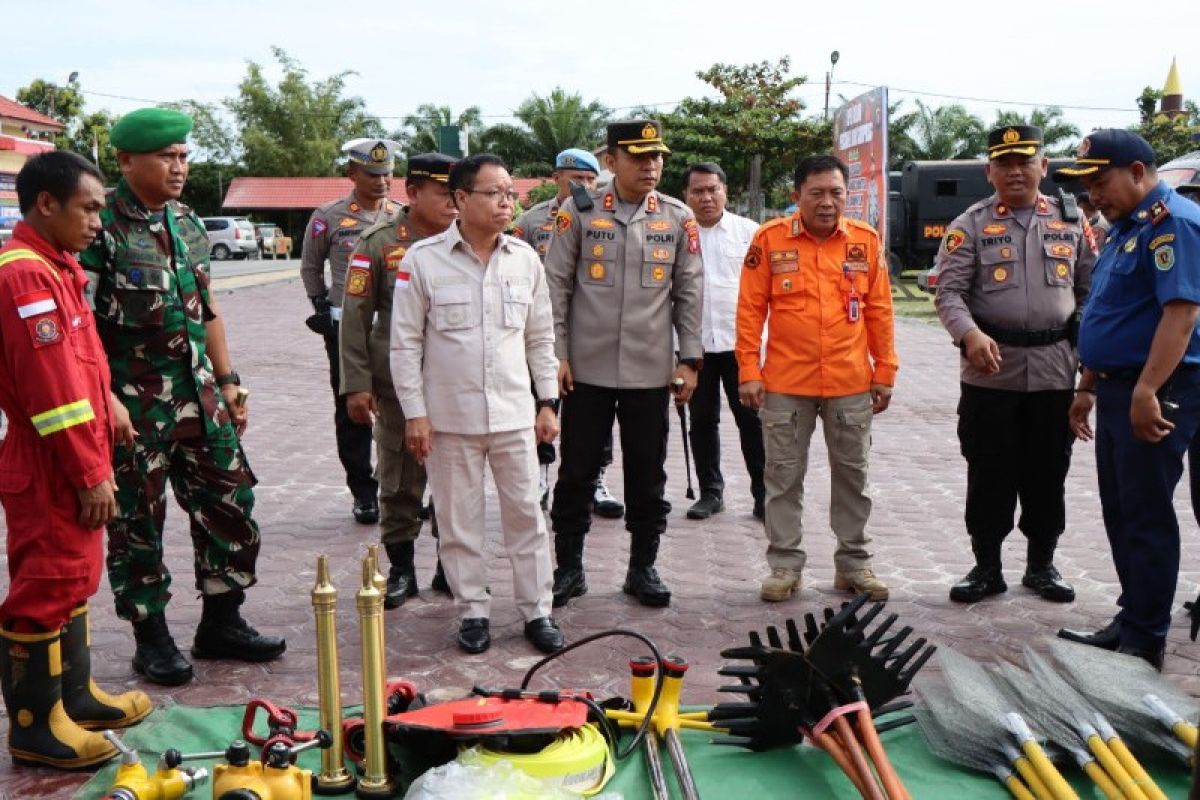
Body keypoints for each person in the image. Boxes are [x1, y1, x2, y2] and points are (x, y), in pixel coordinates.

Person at [81, 108, 286, 687]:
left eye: (183, 155)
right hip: (132, 407)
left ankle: (222, 621)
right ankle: (152, 638)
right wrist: (104, 399)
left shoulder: (189, 222)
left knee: (230, 501)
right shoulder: (101, 230)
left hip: (201, 399)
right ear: (126, 161)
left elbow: (209, 310)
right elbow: (83, 328)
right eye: (167, 156)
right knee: (138, 523)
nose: (180, 166)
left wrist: (228, 381)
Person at [0, 151, 152, 769]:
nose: (98, 220)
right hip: (51, 458)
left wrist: (110, 399)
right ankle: (37, 728)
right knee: (48, 584)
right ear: (46, 204)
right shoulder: (25, 276)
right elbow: (49, 390)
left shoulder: (57, 266)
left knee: (74, 577)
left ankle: (75, 698)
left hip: (71, 448)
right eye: (88, 208)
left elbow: (78, 361)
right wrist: (90, 472)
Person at [391, 154, 564, 655]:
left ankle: (537, 611)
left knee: (527, 518)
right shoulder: (422, 260)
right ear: (461, 199)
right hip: (449, 419)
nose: (507, 201)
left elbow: (540, 339)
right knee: (458, 519)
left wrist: (548, 402)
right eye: (494, 193)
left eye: (510, 192)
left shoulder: (525, 259)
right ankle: (472, 611)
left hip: (514, 415)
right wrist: (415, 414)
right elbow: (404, 345)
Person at [1056, 130, 1200, 670]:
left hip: (1157, 388)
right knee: (1121, 511)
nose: (1094, 195)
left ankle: (1146, 638)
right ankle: (1131, 617)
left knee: (1146, 514)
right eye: (1088, 185)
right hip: (1116, 386)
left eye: (1101, 181)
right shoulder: (1123, 228)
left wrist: (1145, 391)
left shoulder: (1175, 224)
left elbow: (1181, 314)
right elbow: (1110, 313)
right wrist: (1087, 386)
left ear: (1138, 171)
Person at [933, 126, 1095, 605]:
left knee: (1049, 471)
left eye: (1025, 161)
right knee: (989, 471)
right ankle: (986, 566)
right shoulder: (971, 224)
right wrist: (969, 334)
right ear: (990, 172)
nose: (1016, 171)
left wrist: (1085, 340)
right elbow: (949, 292)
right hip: (990, 375)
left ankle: (1042, 565)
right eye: (1004, 163)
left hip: (1053, 373)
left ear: (1043, 167)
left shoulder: (1071, 222)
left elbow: (1092, 291)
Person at [545, 119, 703, 609]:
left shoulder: (678, 219)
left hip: (649, 369)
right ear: (611, 162)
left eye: (657, 157)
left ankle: (643, 568)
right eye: (639, 157)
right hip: (586, 370)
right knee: (576, 472)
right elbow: (555, 286)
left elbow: (689, 293)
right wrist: (557, 354)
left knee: (647, 472)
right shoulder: (578, 211)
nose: (651, 166)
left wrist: (691, 359)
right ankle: (569, 568)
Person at [737, 155, 897, 603]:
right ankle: (785, 566)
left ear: (848, 195)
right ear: (796, 197)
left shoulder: (865, 241)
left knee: (853, 476)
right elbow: (750, 311)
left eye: (836, 193)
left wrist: (884, 370)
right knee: (783, 477)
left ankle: (854, 564)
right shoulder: (769, 241)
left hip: (851, 382)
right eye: (817, 193)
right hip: (786, 383)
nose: (828, 203)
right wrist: (749, 370)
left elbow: (880, 311)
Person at [341, 153, 459, 608]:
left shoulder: (467, 237)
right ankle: (402, 569)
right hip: (395, 387)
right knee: (399, 479)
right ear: (413, 193)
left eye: (457, 193)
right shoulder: (379, 242)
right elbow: (355, 318)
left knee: (455, 480)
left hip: (455, 383)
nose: (452, 201)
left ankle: (451, 568)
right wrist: (356, 383)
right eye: (442, 192)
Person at [512, 148, 622, 514]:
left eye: (591, 180)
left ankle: (597, 478)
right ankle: (542, 475)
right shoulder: (529, 222)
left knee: (594, 407)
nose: (585, 186)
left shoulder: (603, 217)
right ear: (556, 177)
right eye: (577, 179)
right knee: (541, 402)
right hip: (540, 330)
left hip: (588, 329)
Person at [301, 139, 403, 525]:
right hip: (347, 327)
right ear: (352, 174)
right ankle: (363, 492)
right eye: (373, 174)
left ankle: (400, 483)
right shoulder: (328, 216)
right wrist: (320, 308)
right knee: (354, 409)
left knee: (400, 402)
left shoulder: (402, 216)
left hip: (394, 324)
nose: (382, 181)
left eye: (388, 173)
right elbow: (311, 267)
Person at [681, 161, 765, 521]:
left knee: (753, 421)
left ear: (726, 191)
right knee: (701, 421)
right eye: (697, 191)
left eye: (712, 189)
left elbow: (768, 292)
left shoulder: (751, 233)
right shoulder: (676, 235)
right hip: (694, 345)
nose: (706, 197)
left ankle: (765, 494)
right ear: (686, 196)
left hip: (742, 346)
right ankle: (710, 492)